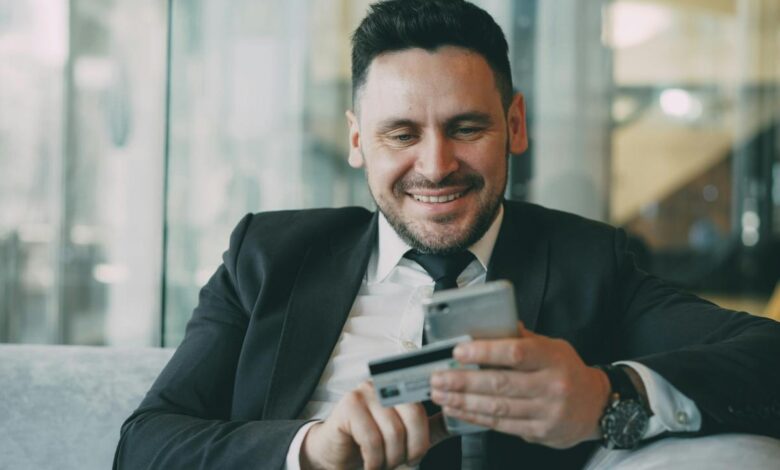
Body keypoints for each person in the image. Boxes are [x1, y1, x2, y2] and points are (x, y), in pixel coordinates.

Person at [114, 1, 780, 469]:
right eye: (401, 134)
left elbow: (766, 358)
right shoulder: (266, 255)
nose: (434, 167)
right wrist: (310, 450)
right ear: (356, 140)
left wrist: (606, 398)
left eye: (467, 128)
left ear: (515, 126)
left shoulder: (588, 262)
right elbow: (145, 443)